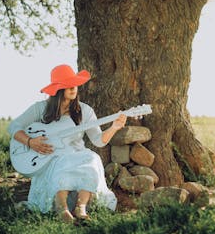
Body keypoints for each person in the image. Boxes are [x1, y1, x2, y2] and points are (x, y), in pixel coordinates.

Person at [7, 64, 127, 223]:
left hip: (77, 155)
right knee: (62, 161)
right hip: (49, 158)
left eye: (74, 84)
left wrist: (114, 127)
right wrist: (30, 142)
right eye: (67, 85)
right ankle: (61, 208)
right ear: (57, 89)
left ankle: (81, 207)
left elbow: (99, 141)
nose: (73, 88)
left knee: (93, 158)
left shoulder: (85, 111)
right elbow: (13, 127)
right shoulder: (40, 109)